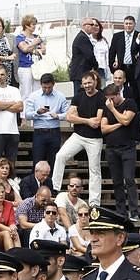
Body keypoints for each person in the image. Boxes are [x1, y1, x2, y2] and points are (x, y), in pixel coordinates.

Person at [53, 71, 106, 207]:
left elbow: (98, 121)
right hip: (78, 136)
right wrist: (87, 121)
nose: (87, 85)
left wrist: (79, 119)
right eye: (84, 83)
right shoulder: (78, 96)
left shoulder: (101, 96)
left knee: (94, 169)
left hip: (95, 139)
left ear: (94, 81)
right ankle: (55, 188)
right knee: (60, 156)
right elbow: (69, 117)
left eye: (89, 82)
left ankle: (94, 203)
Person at [102, 72, 140, 221]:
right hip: (112, 148)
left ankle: (134, 211)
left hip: (127, 148)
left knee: (129, 179)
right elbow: (104, 128)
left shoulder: (130, 103)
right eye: (108, 100)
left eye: (112, 99)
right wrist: (119, 122)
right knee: (117, 181)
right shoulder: (106, 107)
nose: (110, 102)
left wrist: (113, 111)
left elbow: (127, 121)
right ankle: (120, 212)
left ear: (118, 94)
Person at [24, 74, 68, 169]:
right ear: (40, 85)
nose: (47, 90)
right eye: (44, 87)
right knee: (38, 161)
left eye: (49, 87)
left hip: (54, 131)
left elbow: (68, 114)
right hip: (39, 132)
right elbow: (27, 115)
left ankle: (53, 183)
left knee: (54, 161)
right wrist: (37, 113)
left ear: (53, 84)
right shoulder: (33, 96)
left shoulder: (60, 96)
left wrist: (58, 116)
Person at [107, 15, 139, 93]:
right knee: (120, 91)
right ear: (123, 24)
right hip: (121, 68)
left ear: (134, 24)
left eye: (130, 24)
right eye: (126, 23)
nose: (128, 26)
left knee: (136, 91)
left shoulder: (139, 35)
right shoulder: (117, 36)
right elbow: (112, 53)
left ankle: (135, 105)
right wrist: (113, 69)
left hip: (135, 68)